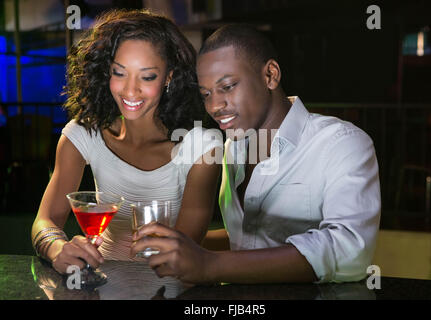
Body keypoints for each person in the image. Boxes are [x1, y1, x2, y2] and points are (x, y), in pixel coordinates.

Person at [131, 24, 381, 284]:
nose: (214, 106)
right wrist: (182, 245)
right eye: (206, 94)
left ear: (270, 75)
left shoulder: (341, 143)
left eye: (227, 86)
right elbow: (247, 241)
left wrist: (209, 264)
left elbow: (350, 251)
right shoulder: (233, 147)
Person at [31, 9, 222, 275]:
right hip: (101, 283)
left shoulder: (201, 147)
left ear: (168, 77)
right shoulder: (83, 135)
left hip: (171, 288)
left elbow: (184, 249)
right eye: (119, 73)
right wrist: (57, 248)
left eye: (147, 77)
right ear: (106, 72)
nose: (130, 90)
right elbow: (46, 220)